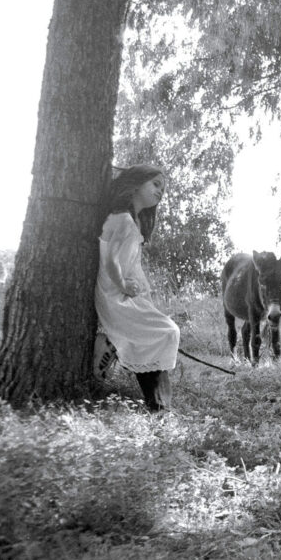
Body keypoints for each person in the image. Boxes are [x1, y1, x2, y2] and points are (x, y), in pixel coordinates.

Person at [93, 164, 180, 412]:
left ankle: (159, 408)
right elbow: (109, 259)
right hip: (114, 294)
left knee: (153, 338)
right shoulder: (121, 218)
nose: (160, 191)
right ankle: (159, 408)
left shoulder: (133, 221)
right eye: (156, 184)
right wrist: (123, 285)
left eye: (163, 188)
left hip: (125, 292)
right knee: (166, 332)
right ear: (135, 184)